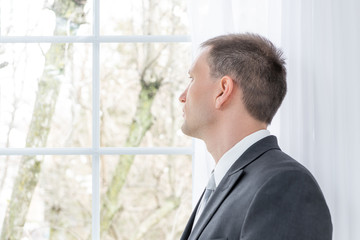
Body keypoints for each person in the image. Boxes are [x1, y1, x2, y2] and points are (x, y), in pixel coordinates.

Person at [179, 33, 332, 240]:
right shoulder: (225, 183)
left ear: (223, 90)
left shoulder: (285, 185)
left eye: (192, 79)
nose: (182, 96)